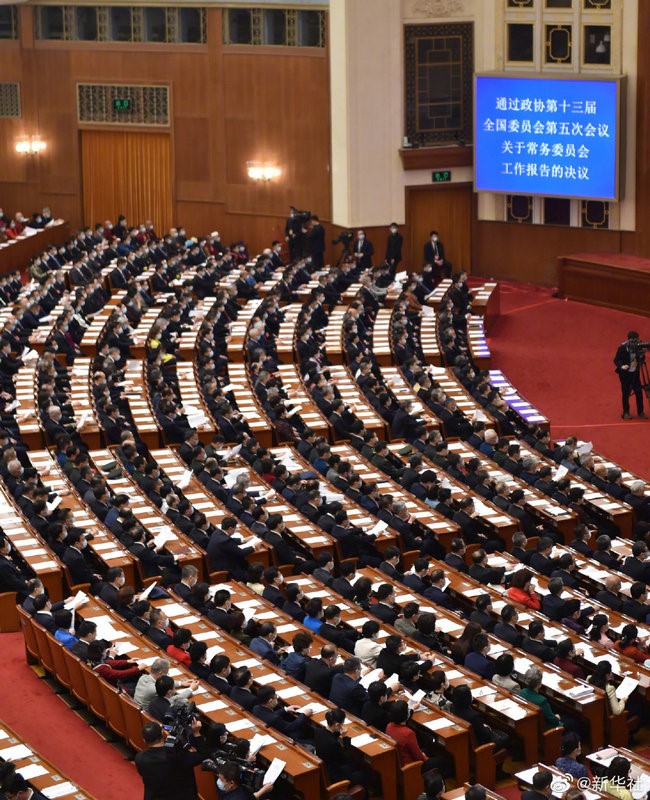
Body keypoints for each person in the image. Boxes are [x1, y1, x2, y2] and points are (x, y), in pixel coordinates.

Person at [134, 720, 209, 800]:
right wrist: (196, 733)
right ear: (162, 734)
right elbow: (203, 754)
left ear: (144, 740)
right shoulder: (177, 756)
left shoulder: (139, 758)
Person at [385, 700, 437, 771]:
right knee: (442, 760)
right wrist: (424, 756)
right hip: (413, 766)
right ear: (406, 715)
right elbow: (419, 757)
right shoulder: (408, 733)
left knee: (429, 749)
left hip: (401, 761)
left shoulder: (389, 726)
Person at [614, 331, 647, 419]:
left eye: (637, 340)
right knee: (626, 393)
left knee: (639, 393)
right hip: (625, 374)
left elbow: (642, 359)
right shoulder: (622, 348)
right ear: (630, 340)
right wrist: (622, 366)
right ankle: (626, 412)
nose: (636, 342)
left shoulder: (638, 347)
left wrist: (642, 355)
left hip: (635, 374)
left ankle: (641, 412)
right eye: (635, 341)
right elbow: (616, 359)